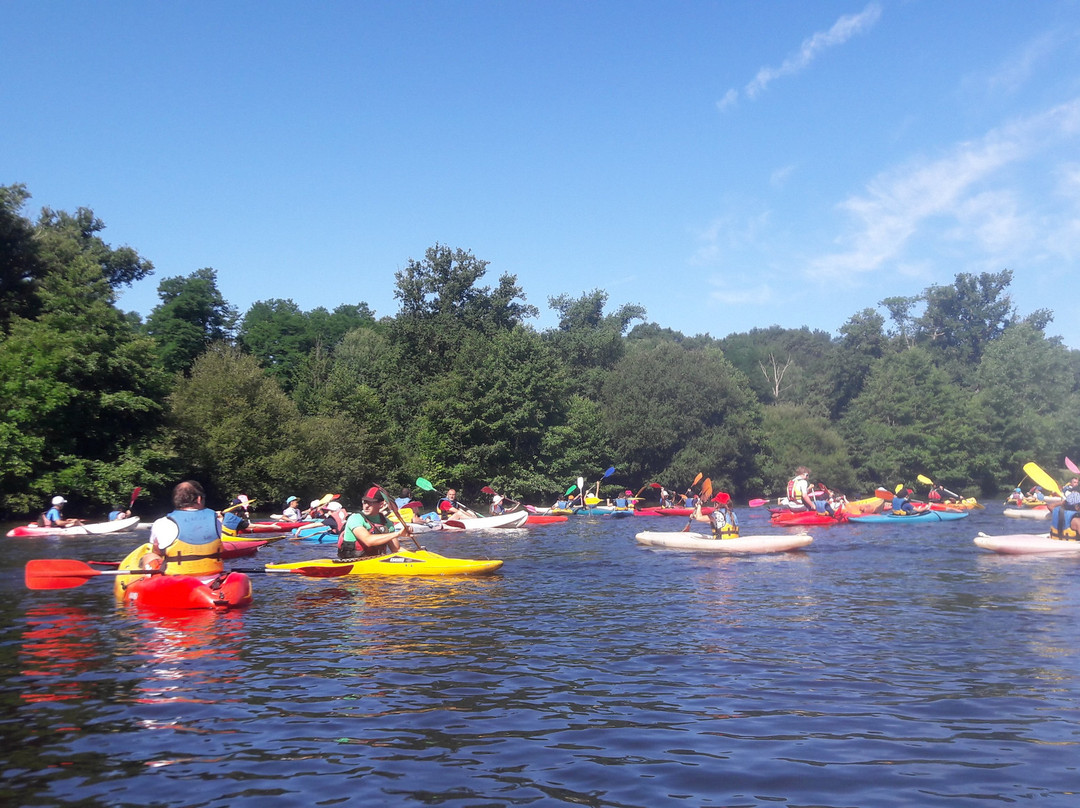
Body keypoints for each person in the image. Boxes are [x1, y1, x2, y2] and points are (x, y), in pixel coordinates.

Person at [147, 480, 223, 577]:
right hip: (213, 579)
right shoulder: (216, 521)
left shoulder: (162, 523)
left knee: (149, 555)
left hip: (176, 581)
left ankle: (150, 581)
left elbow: (157, 550)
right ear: (199, 499)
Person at [338, 493, 408, 559]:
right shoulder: (355, 518)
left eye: (370, 503)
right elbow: (368, 541)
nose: (366, 506)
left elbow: (397, 549)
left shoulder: (387, 523)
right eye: (364, 502)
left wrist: (416, 557)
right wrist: (398, 534)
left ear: (381, 504)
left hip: (374, 562)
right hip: (352, 561)